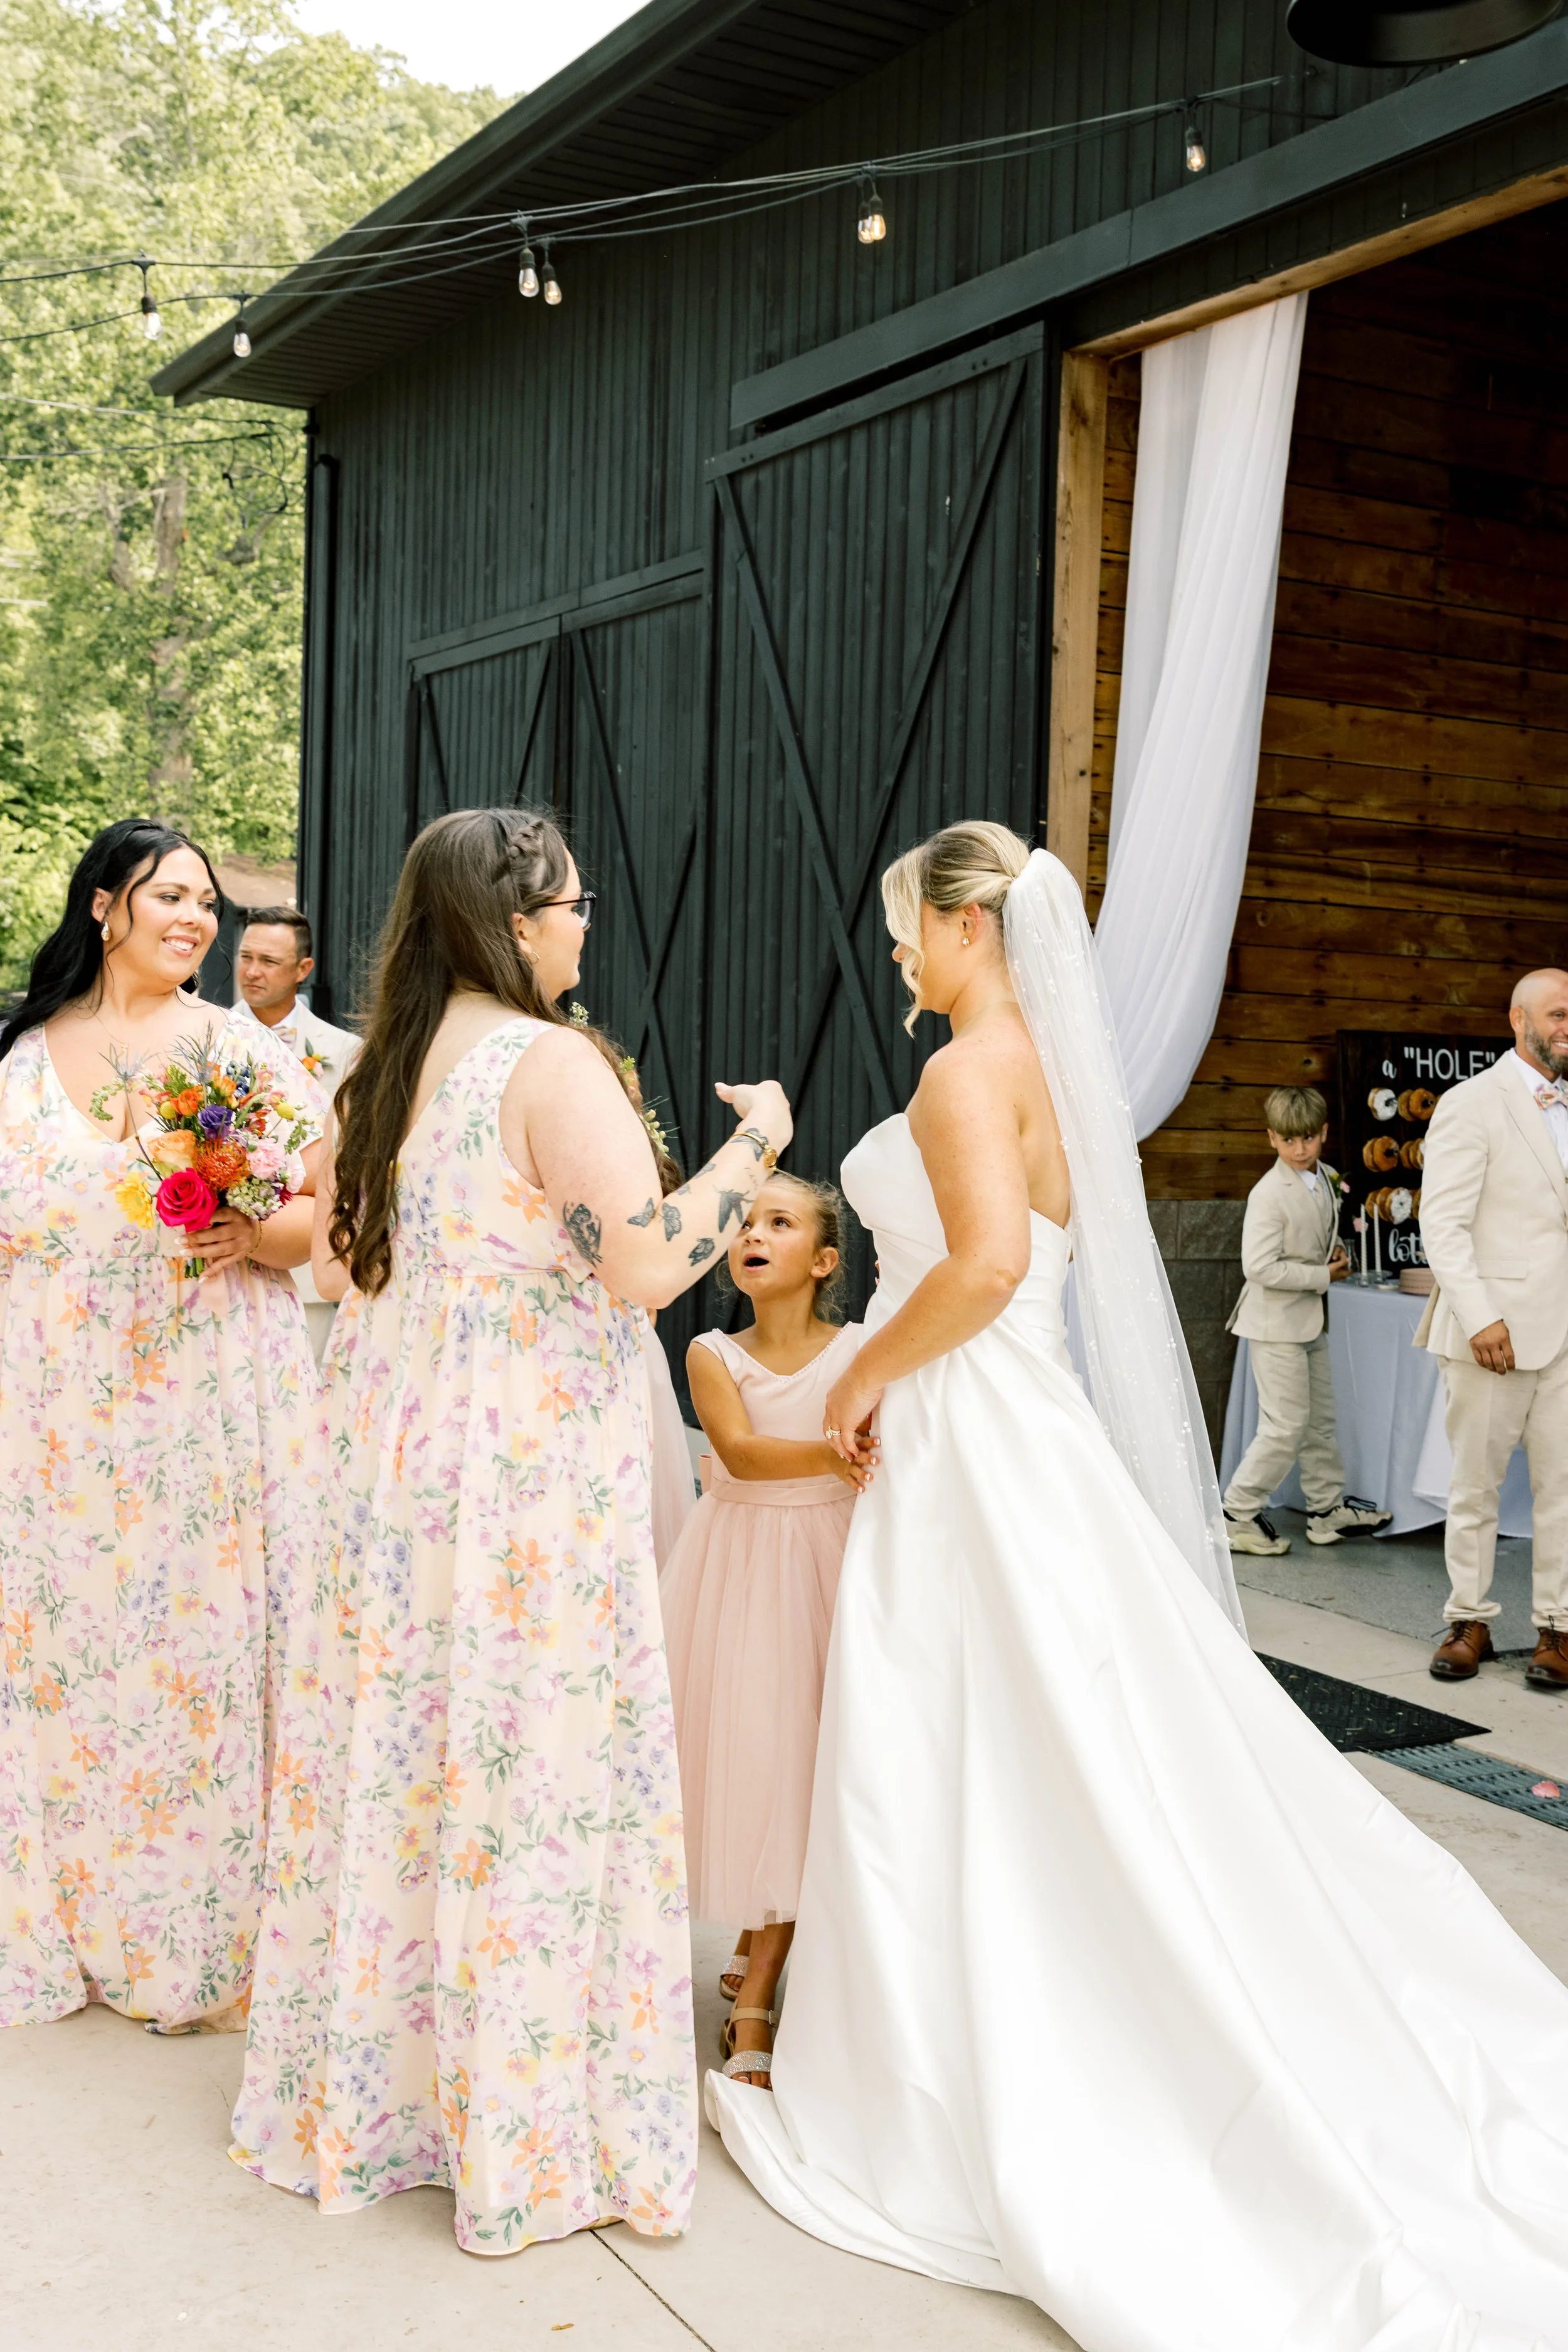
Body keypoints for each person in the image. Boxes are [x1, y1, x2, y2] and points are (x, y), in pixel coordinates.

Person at [706, 823, 1568, 2352]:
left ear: (970, 921)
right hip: (1010, 1406)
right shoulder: (1034, 1062)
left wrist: (865, 1377)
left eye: (908, 922)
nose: (896, 949)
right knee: (1053, 1713)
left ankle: (974, 2028)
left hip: (969, 1411)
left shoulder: (970, 1070)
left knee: (961, 1714)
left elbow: (973, 1269)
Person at [230, 807, 793, 2257]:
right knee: (532, 1768)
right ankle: (527, 2124)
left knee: (419, 1762)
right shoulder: (551, 1061)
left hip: (409, 1466)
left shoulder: (389, 1068)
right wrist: (756, 1141)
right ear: (515, 918)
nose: (585, 926)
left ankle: (392, 2096)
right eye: (573, 904)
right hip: (530, 1480)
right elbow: (650, 1266)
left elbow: (351, 1268)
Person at [0, 819, 322, 2033]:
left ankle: (196, 1927)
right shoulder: (24, 1055)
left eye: (205, 902)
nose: (195, 918)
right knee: (62, 1654)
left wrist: (249, 1228)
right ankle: (65, 1911)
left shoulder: (235, 1052)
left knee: (191, 1657)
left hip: (201, 1403)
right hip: (51, 1413)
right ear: (101, 905)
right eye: (168, 896)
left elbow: (325, 1226)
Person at [660, 1175, 867, 2092]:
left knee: (807, 1764)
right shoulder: (713, 1352)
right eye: (744, 1221)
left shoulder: (860, 1352)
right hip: (741, 1567)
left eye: (779, 1222)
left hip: (830, 1558)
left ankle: (761, 1973)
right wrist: (840, 1448)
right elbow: (740, 1453)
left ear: (823, 1261)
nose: (753, 1233)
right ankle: (752, 1989)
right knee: (758, 1757)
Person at [1417, 968, 1568, 1690]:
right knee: (1475, 1487)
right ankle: (1468, 1620)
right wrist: (1480, 1316)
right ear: (1518, 1019)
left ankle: (1557, 1627)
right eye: (1558, 1014)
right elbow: (1440, 1224)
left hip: (1566, 1332)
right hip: (1493, 1332)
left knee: (1563, 1489)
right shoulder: (1470, 1103)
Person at [1221, 1084, 1390, 1555]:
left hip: (1311, 1321)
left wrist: (1332, 1255)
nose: (1300, 1150)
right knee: (1285, 1425)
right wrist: (1322, 1274)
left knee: (1319, 1422)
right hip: (1273, 1324)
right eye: (1289, 1140)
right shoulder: (1268, 1194)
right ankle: (1236, 1512)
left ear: (1324, 1134)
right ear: (1272, 1139)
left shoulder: (1330, 1178)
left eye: (1309, 1139)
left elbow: (1315, 1236)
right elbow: (1258, 1267)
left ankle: (1325, 1510)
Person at [232, 905, 360, 1359]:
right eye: (246, 957)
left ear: (303, 969)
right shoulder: (206, 1038)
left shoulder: (346, 1052)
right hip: (223, 1266)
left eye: (268, 962)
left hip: (310, 1271)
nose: (252, 972)